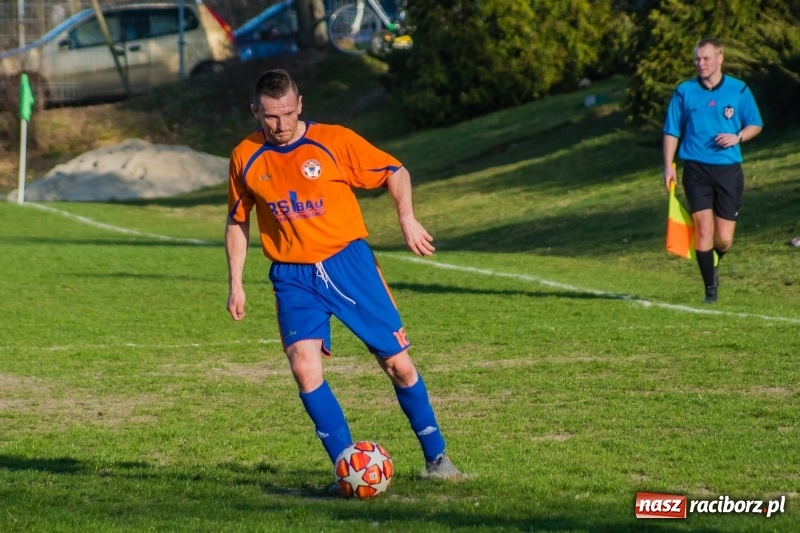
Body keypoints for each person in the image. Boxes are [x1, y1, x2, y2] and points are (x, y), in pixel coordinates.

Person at [225, 69, 461, 489]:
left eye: (287, 114)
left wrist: (406, 217)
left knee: (398, 366)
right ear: (255, 112)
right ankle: (346, 471)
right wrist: (236, 282)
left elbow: (395, 170)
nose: (280, 125)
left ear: (300, 105)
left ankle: (436, 456)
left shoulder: (333, 141)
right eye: (269, 117)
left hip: (349, 265)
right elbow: (237, 220)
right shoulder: (245, 156)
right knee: (303, 367)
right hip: (293, 277)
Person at [663, 37, 763, 304]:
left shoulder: (739, 90)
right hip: (695, 170)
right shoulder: (684, 91)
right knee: (703, 228)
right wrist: (668, 166)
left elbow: (756, 123)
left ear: (720, 58)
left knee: (724, 238)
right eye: (697, 58)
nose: (701, 63)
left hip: (728, 171)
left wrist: (737, 137)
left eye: (706, 58)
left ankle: (715, 258)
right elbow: (672, 130)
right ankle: (710, 290)